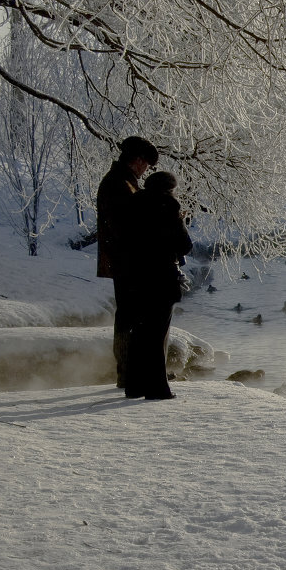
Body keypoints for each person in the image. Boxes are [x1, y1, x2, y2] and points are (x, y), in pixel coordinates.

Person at [121, 171, 193, 400]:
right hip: (161, 278)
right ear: (170, 188)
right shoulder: (168, 206)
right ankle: (157, 388)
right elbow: (184, 245)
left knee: (139, 331)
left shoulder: (133, 202)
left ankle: (134, 386)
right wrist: (181, 220)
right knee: (156, 333)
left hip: (136, 277)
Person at [96, 136, 159, 388]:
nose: (146, 171)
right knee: (129, 318)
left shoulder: (123, 182)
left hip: (127, 262)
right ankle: (128, 373)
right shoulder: (119, 185)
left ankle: (132, 372)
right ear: (137, 161)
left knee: (130, 316)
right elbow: (128, 227)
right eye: (146, 165)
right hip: (128, 263)